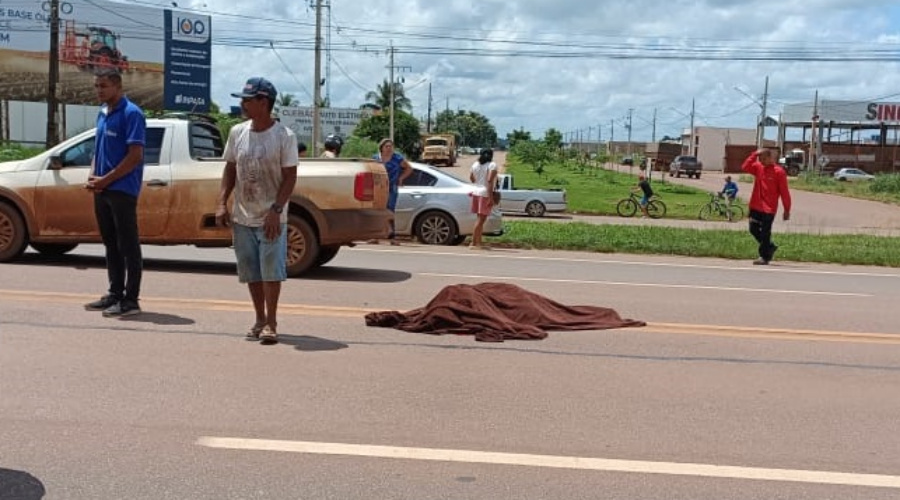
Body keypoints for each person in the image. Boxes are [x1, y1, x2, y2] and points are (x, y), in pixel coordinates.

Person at [215, 77, 299, 344]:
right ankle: (259, 318)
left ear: (264, 103)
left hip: (272, 216)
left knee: (271, 272)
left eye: (248, 100)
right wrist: (221, 202)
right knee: (251, 271)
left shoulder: (284, 137)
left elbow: (290, 177)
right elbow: (229, 169)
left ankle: (271, 322)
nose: (242, 104)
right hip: (243, 215)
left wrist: (276, 209)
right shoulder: (237, 132)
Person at [83, 70, 147, 317]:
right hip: (102, 189)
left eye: (104, 86)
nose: (99, 90)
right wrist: (93, 176)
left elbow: (134, 156)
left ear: (118, 86)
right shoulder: (103, 113)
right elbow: (98, 151)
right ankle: (115, 293)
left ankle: (131, 300)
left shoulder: (132, 113)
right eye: (97, 86)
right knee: (111, 244)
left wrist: (106, 180)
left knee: (128, 245)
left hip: (122, 189)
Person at [742, 148, 792, 265]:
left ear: (771, 158)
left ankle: (764, 257)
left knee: (765, 232)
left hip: (769, 209)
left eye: (764, 159)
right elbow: (745, 166)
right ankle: (770, 246)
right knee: (753, 229)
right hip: (755, 205)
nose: (762, 161)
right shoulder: (758, 168)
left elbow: (785, 192)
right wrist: (754, 154)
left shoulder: (779, 172)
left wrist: (786, 210)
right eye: (760, 159)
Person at [373, 138, 412, 245]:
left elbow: (409, 168)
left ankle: (392, 237)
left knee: (390, 211)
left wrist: (401, 178)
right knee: (378, 211)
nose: (389, 148)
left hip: (392, 187)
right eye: (387, 146)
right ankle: (376, 236)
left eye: (391, 146)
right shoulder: (376, 158)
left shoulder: (397, 158)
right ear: (382, 148)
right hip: (379, 188)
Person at [468, 148, 498, 249]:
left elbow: (471, 178)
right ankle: (473, 243)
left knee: (479, 219)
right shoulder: (492, 165)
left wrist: (479, 182)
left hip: (476, 192)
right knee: (481, 220)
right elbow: (490, 181)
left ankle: (478, 243)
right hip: (485, 194)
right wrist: (490, 198)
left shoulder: (475, 164)